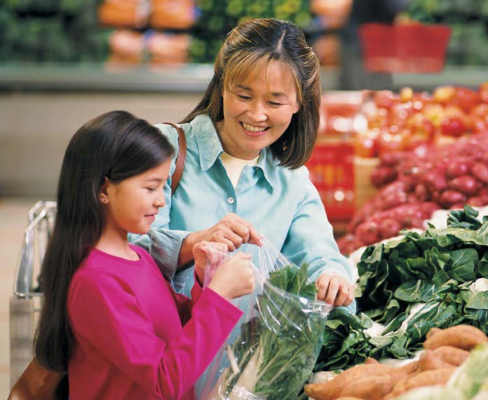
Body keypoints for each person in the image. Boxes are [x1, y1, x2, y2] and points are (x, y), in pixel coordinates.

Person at [133, 18, 355, 308]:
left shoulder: (292, 181)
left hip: (251, 355)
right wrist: (195, 242)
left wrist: (332, 277)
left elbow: (318, 256)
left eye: (275, 103)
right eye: (244, 95)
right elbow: (125, 252)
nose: (256, 114)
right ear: (222, 86)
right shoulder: (163, 148)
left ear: (299, 103)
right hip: (166, 351)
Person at [32, 110, 255, 400]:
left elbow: (176, 333)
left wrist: (205, 279)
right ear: (104, 189)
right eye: (150, 188)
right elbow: (163, 381)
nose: (161, 201)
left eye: (162, 186)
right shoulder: (96, 281)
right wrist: (219, 296)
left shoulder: (138, 258)